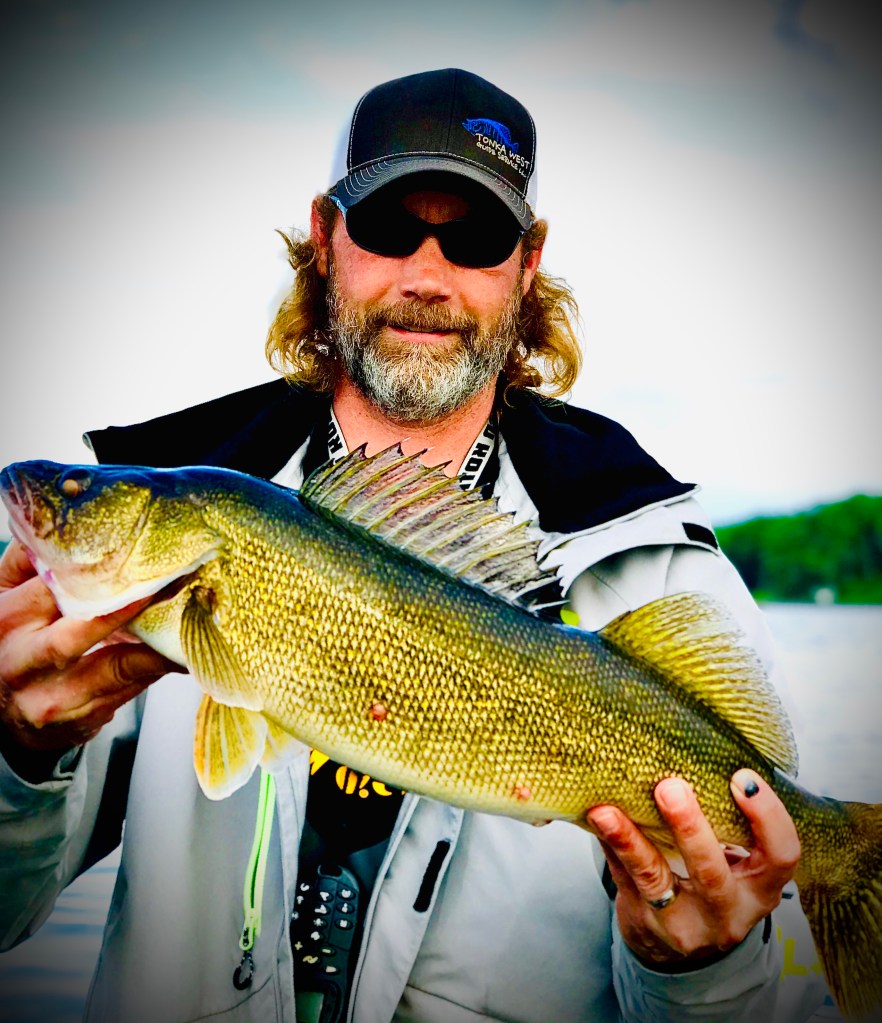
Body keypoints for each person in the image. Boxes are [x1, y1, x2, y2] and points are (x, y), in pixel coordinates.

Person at [0, 68, 816, 1023]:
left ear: (528, 261)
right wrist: (16, 755)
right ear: (324, 237)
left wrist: (698, 969)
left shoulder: (661, 568)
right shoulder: (159, 529)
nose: (427, 277)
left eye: (475, 238)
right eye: (390, 228)